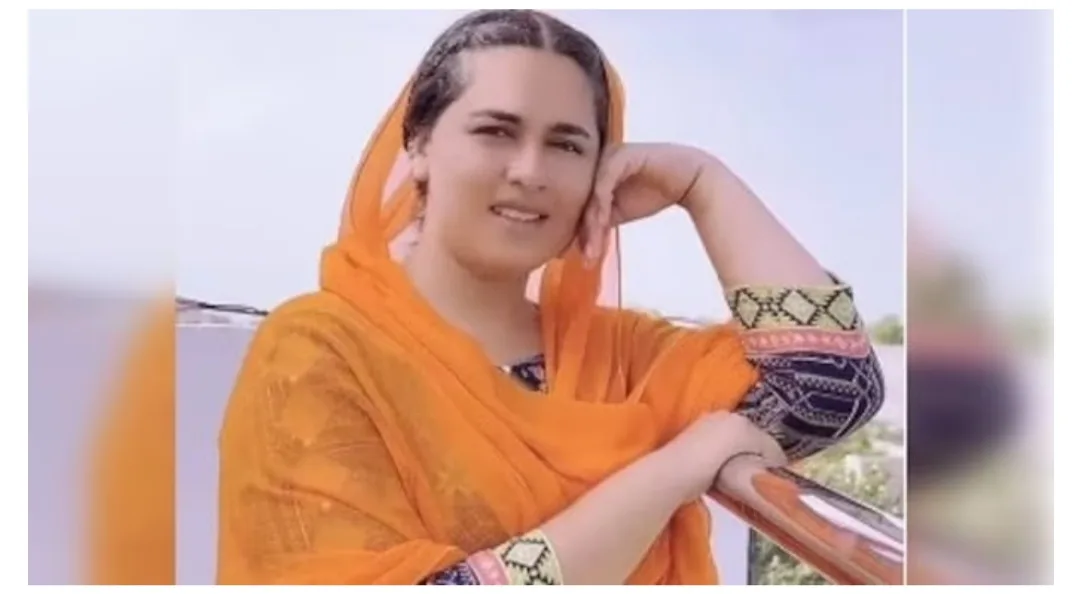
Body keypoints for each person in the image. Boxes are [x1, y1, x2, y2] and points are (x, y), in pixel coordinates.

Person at [216, 9, 884, 586]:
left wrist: (703, 185)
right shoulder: (319, 350)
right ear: (418, 145)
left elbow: (832, 386)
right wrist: (674, 471)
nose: (530, 171)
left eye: (567, 145)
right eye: (496, 131)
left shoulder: (622, 358)